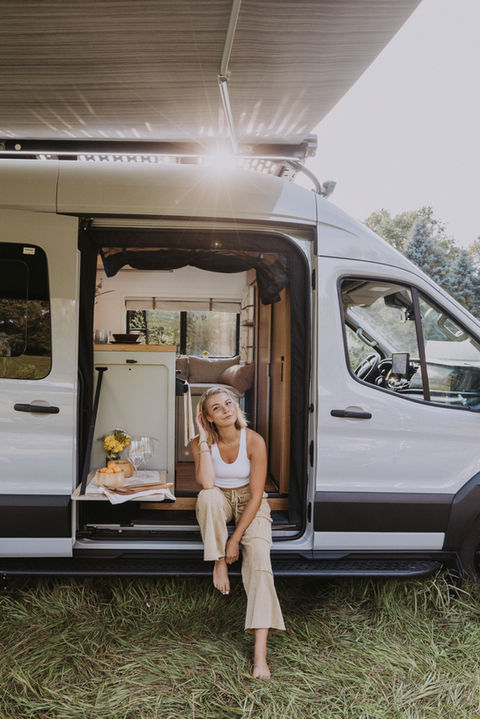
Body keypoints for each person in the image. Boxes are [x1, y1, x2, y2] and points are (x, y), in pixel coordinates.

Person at [193, 386, 285, 679]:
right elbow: (207, 484)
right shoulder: (199, 443)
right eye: (217, 408)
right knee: (207, 497)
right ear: (208, 417)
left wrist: (235, 540)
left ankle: (260, 656)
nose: (226, 409)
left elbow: (257, 495)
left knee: (258, 559)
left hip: (250, 501)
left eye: (228, 403)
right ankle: (217, 562)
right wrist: (205, 441)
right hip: (219, 496)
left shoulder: (254, 441)